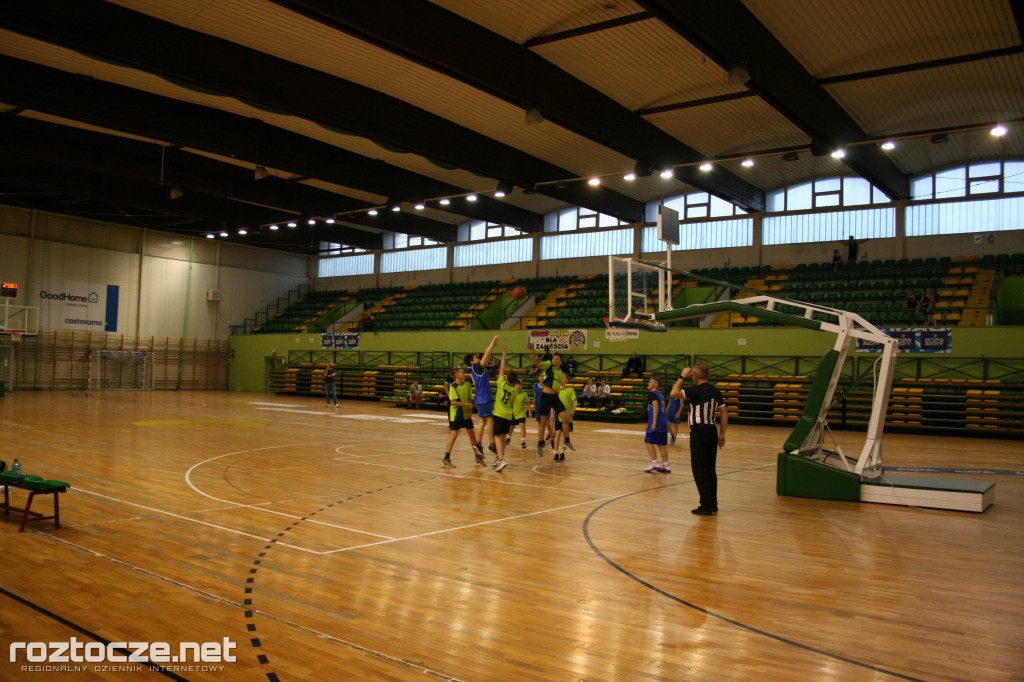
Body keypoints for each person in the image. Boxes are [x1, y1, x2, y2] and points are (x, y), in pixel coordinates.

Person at [671, 364, 727, 516]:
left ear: (694, 375)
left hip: (699, 432)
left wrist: (682, 377)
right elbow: (723, 412)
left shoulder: (695, 390)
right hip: (711, 431)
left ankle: (706, 505)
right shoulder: (715, 391)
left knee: (699, 469)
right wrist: (722, 433)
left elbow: (673, 392)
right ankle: (713, 503)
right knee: (710, 469)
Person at [529, 344, 575, 458]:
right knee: (543, 423)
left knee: (565, 417)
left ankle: (567, 440)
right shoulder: (548, 365)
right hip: (545, 396)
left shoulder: (560, 372)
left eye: (556, 359)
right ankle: (540, 444)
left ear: (560, 362)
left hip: (555, 397)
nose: (554, 360)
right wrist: (532, 353)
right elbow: (536, 364)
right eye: (553, 358)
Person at [443, 366, 485, 469]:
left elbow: (470, 398)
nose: (464, 374)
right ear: (457, 375)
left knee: (472, 434)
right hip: (456, 415)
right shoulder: (453, 387)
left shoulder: (467, 385)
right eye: (462, 372)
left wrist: (470, 410)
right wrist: (466, 405)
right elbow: (453, 402)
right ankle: (446, 458)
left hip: (466, 415)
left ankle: (477, 456)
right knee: (454, 434)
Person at [466, 334, 500, 459]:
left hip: (480, 397)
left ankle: (478, 444)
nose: (478, 358)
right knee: (490, 420)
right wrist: (492, 341)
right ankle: (492, 444)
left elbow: (487, 356)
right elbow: (486, 354)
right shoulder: (477, 367)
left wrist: (492, 349)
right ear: (472, 361)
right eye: (476, 357)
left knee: (482, 421)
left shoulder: (475, 368)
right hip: (484, 398)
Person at [489, 346, 518, 472]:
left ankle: (501, 460)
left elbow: (501, 368)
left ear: (507, 377)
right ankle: (498, 458)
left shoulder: (501, 384)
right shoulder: (515, 391)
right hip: (508, 415)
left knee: (496, 436)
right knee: (502, 438)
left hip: (499, 413)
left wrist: (504, 355)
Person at [643, 376, 671, 473]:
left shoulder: (652, 394)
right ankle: (666, 465)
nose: (648, 383)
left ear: (656, 385)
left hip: (657, 422)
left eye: (650, 382)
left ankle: (654, 463)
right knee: (661, 444)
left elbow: (656, 407)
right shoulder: (661, 395)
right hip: (663, 422)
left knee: (648, 441)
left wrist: (654, 422)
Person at [552, 373, 577, 461]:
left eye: (563, 377)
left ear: (566, 380)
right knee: (558, 434)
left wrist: (573, 409)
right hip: (558, 416)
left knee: (565, 436)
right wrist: (552, 414)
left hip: (567, 417)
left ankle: (562, 452)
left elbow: (574, 401)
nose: (562, 379)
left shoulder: (570, 390)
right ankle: (555, 453)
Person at [512, 378, 529, 449]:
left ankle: (523, 441)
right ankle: (509, 437)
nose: (518, 387)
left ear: (522, 386)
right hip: (513, 413)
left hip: (522, 413)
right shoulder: (512, 393)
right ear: (514, 386)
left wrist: (530, 412)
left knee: (522, 426)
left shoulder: (524, 394)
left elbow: (528, 403)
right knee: (511, 427)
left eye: (520, 385)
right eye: (517, 385)